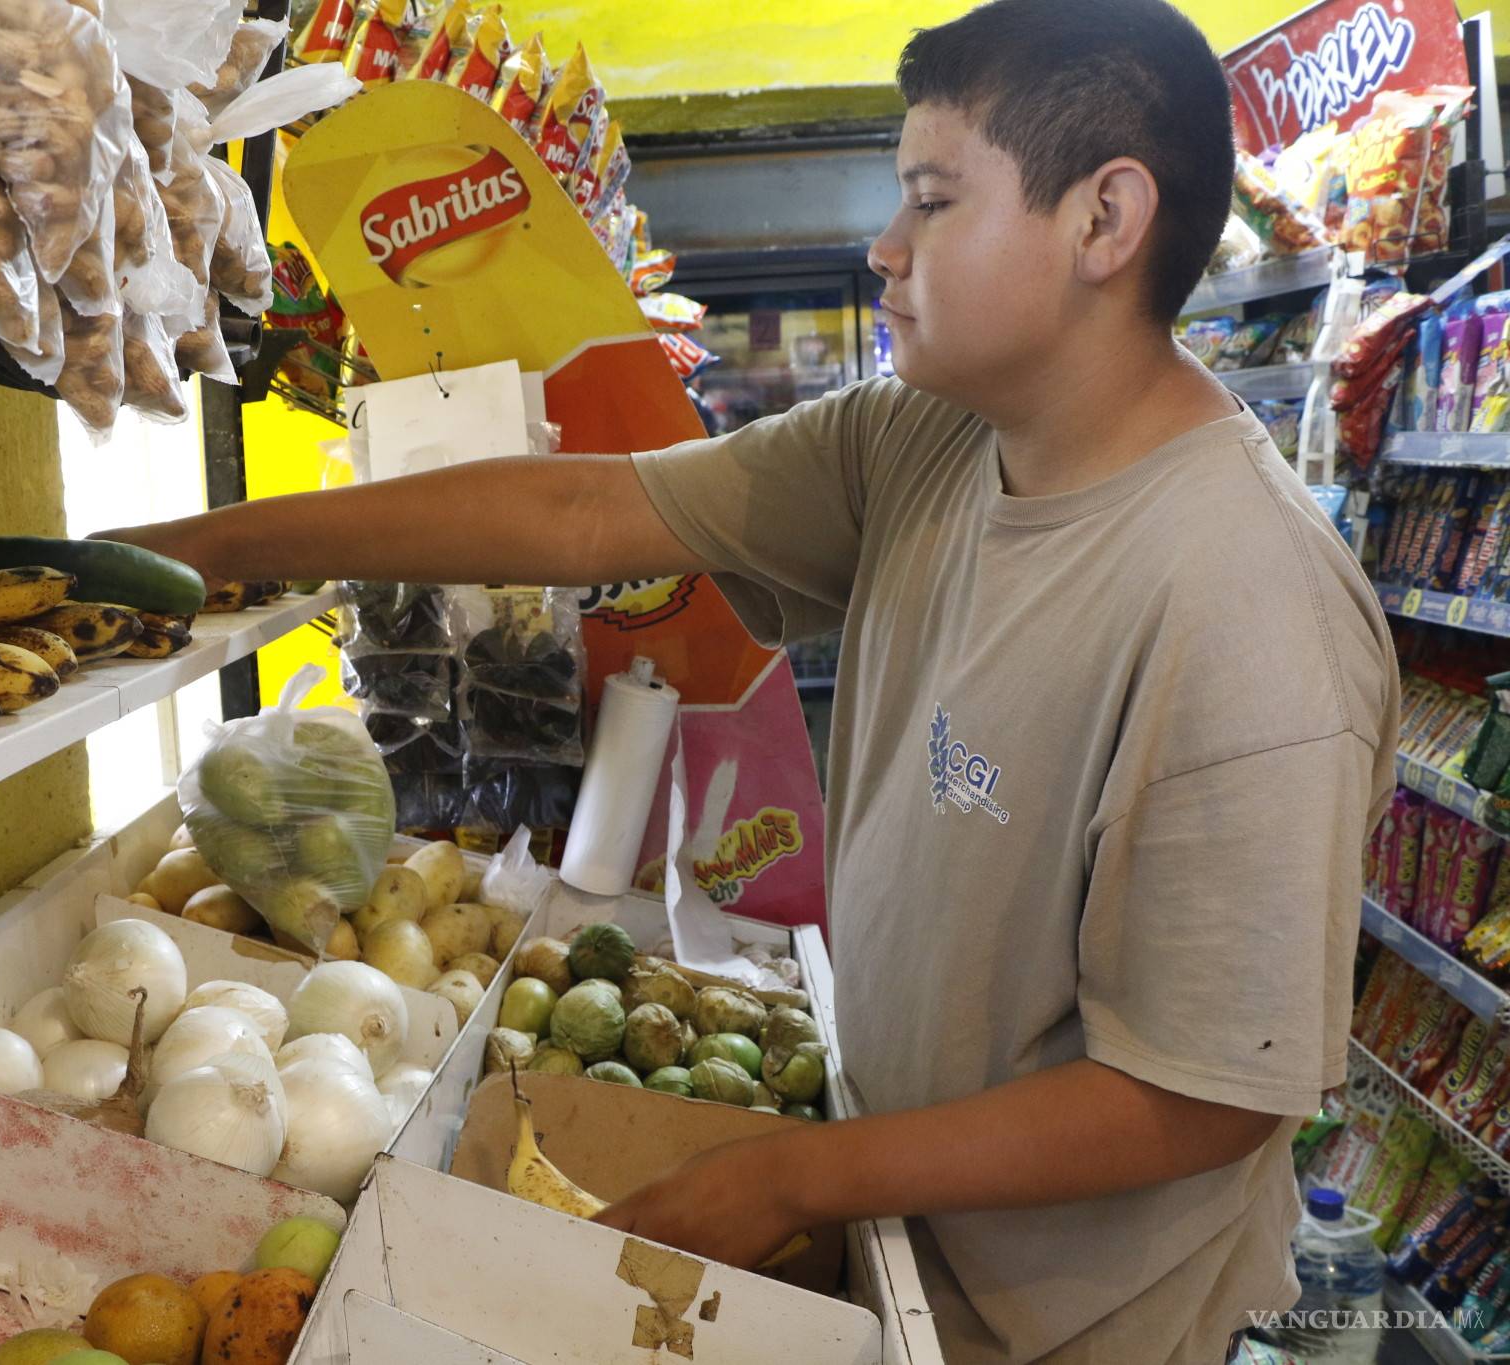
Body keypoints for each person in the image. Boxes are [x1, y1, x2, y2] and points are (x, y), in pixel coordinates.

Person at [97, 0, 1398, 1358]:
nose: (885, 249)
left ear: (1104, 220)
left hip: (1074, 1327)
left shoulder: (1251, 613)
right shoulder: (926, 444)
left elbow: (1205, 1094)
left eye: (935, 200)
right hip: (900, 1240)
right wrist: (188, 552)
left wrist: (792, 1174)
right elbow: (584, 519)